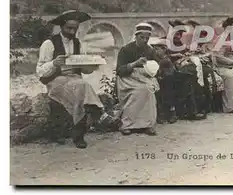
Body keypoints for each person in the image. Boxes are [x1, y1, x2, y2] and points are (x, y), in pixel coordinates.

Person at [36, 10, 118, 149]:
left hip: (74, 79)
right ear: (61, 27)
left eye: (75, 28)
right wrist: (54, 63)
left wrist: (93, 64)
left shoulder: (79, 44)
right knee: (82, 87)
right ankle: (95, 117)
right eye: (69, 28)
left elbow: (85, 70)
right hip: (55, 79)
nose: (72, 31)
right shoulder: (49, 43)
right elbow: (40, 71)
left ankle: (81, 131)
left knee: (81, 87)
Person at [115, 23, 160, 136]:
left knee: (149, 89)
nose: (145, 40)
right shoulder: (126, 49)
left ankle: (148, 124)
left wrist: (153, 69)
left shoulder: (150, 50)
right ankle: (127, 124)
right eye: (142, 37)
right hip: (127, 79)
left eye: (147, 38)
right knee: (139, 90)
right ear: (136, 36)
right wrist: (135, 64)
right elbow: (120, 70)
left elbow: (156, 66)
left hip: (145, 77)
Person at [148, 37, 177, 124]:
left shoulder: (166, 60)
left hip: (167, 82)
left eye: (157, 49)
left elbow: (169, 73)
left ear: (164, 49)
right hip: (162, 82)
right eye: (154, 50)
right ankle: (162, 114)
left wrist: (160, 76)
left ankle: (172, 114)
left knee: (168, 96)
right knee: (160, 97)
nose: (156, 52)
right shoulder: (159, 59)